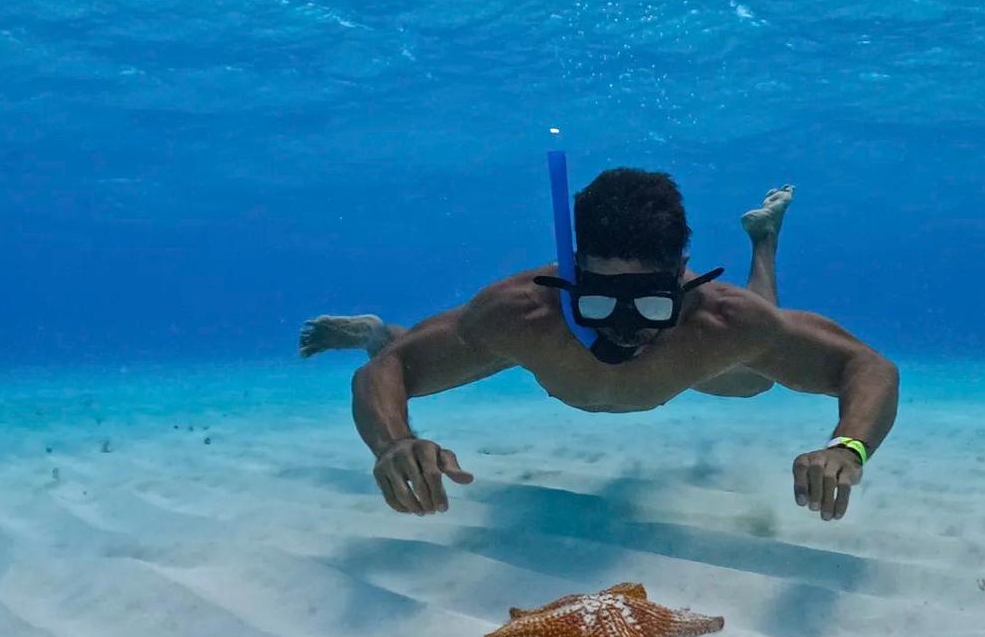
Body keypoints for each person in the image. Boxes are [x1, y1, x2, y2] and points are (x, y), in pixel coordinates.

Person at [299, 169, 899, 522]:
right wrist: (394, 442)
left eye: (650, 305)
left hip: (697, 359)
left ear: (683, 277)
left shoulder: (721, 320)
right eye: (598, 302)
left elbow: (866, 366)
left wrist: (849, 446)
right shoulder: (522, 312)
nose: (623, 327)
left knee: (758, 371)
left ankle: (763, 242)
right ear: (570, 271)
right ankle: (373, 328)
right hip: (542, 353)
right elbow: (391, 369)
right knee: (402, 356)